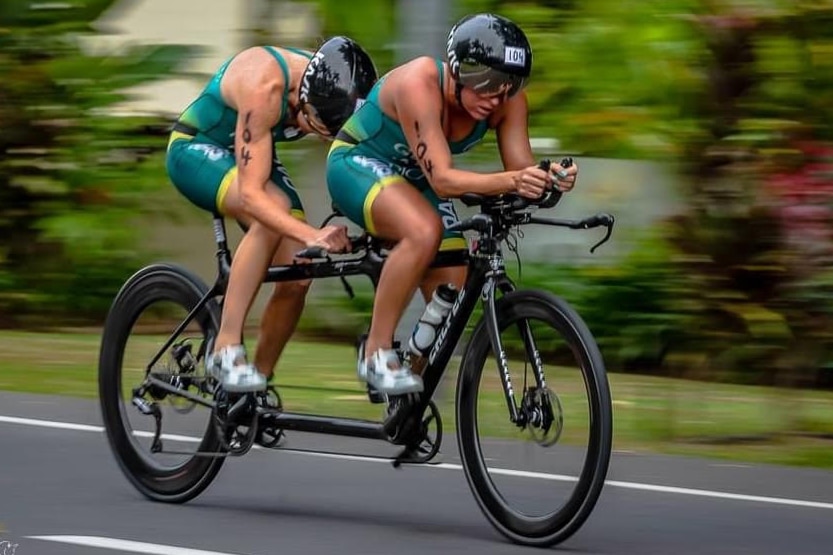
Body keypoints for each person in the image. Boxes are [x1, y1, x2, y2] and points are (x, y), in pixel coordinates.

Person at [325, 13, 578, 395]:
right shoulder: (418, 83)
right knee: (422, 231)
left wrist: (550, 178)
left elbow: (520, 171)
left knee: (455, 280)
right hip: (358, 162)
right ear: (459, 70)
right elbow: (443, 180)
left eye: (507, 85)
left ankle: (409, 386)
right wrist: (513, 181)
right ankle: (375, 352)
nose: (495, 96)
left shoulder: (507, 103)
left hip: (415, 178)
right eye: (486, 83)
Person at [166, 36, 378, 392]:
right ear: (303, 96)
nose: (315, 134)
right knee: (272, 210)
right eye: (315, 125)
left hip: (249, 147)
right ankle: (226, 348)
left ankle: (256, 387)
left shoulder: (336, 85)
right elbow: (252, 196)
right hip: (196, 149)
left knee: (299, 274)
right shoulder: (263, 85)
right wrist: (311, 233)